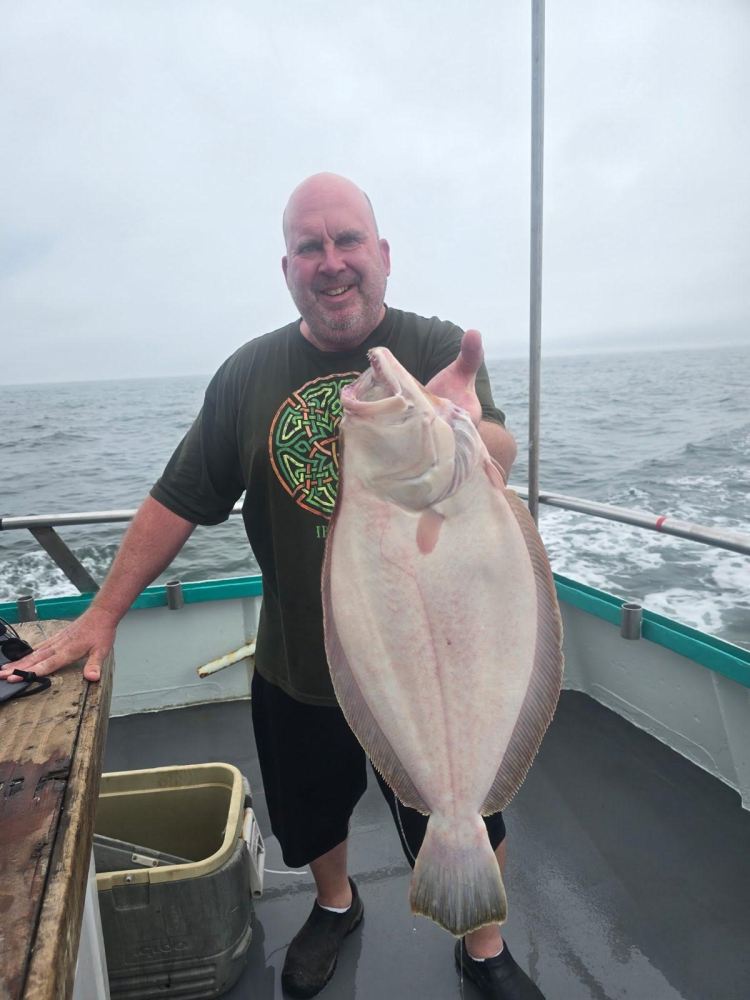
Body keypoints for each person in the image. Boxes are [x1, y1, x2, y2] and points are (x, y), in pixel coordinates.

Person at [2, 173, 544, 1000]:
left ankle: (484, 945)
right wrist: (102, 615)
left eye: (348, 241)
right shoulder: (248, 374)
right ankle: (336, 905)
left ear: (383, 255)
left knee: (467, 804)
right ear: (287, 268)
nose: (332, 262)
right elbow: (178, 497)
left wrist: (464, 431)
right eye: (309, 246)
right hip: (298, 658)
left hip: (436, 656)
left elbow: (497, 452)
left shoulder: (433, 347)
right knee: (310, 812)